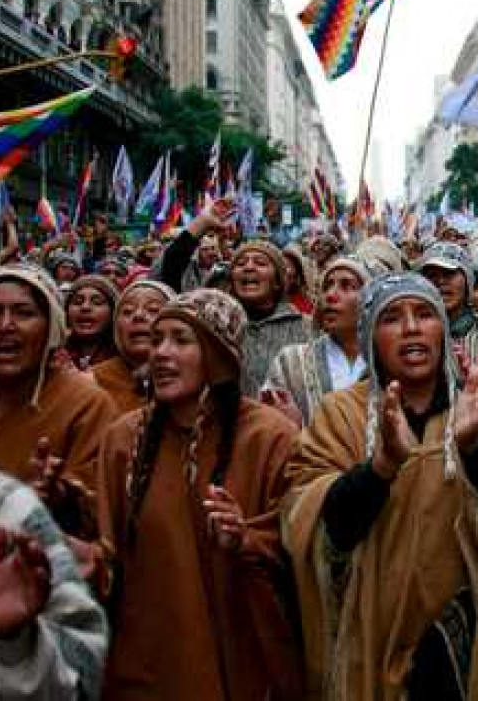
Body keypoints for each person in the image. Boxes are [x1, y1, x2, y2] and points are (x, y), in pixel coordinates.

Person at [282, 273, 478, 700]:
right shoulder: (339, 415)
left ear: (442, 327)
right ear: (370, 338)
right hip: (370, 633)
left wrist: (474, 447)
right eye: (391, 318)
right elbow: (315, 530)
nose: (410, 328)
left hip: (470, 639)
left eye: (424, 314)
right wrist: (382, 466)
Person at [95, 288, 302, 700]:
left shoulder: (270, 437)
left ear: (220, 357)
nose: (161, 354)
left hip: (242, 655)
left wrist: (246, 540)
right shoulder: (124, 439)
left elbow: (299, 546)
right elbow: (110, 550)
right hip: (147, 664)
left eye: (181, 340)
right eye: (156, 340)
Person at [0, 358, 109, 699]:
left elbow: (82, 672)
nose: (6, 325)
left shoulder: (8, 513)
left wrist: (13, 646)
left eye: (23, 312)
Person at [0, 267, 118, 538]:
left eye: (24, 313)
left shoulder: (88, 404)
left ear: (51, 328)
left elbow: (103, 510)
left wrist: (61, 496)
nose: (5, 326)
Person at [262, 256, 369, 426]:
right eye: (327, 287)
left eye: (347, 286)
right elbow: (269, 429)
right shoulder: (290, 362)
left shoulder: (385, 362)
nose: (331, 295)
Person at [228, 240, 311, 396]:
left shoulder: (307, 327)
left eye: (260, 263)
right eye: (240, 264)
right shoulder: (221, 328)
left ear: (278, 282)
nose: (249, 267)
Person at [418, 243, 478, 372]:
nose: (441, 281)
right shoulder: (414, 334)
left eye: (449, 274)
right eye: (432, 276)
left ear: (468, 282)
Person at [92, 281, 177, 414]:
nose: (138, 316)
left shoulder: (190, 382)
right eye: (127, 311)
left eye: (153, 310)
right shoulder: (91, 381)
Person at [64, 275, 120, 371]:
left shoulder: (125, 358)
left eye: (97, 302)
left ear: (113, 312)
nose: (85, 307)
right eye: (77, 302)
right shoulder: (51, 355)